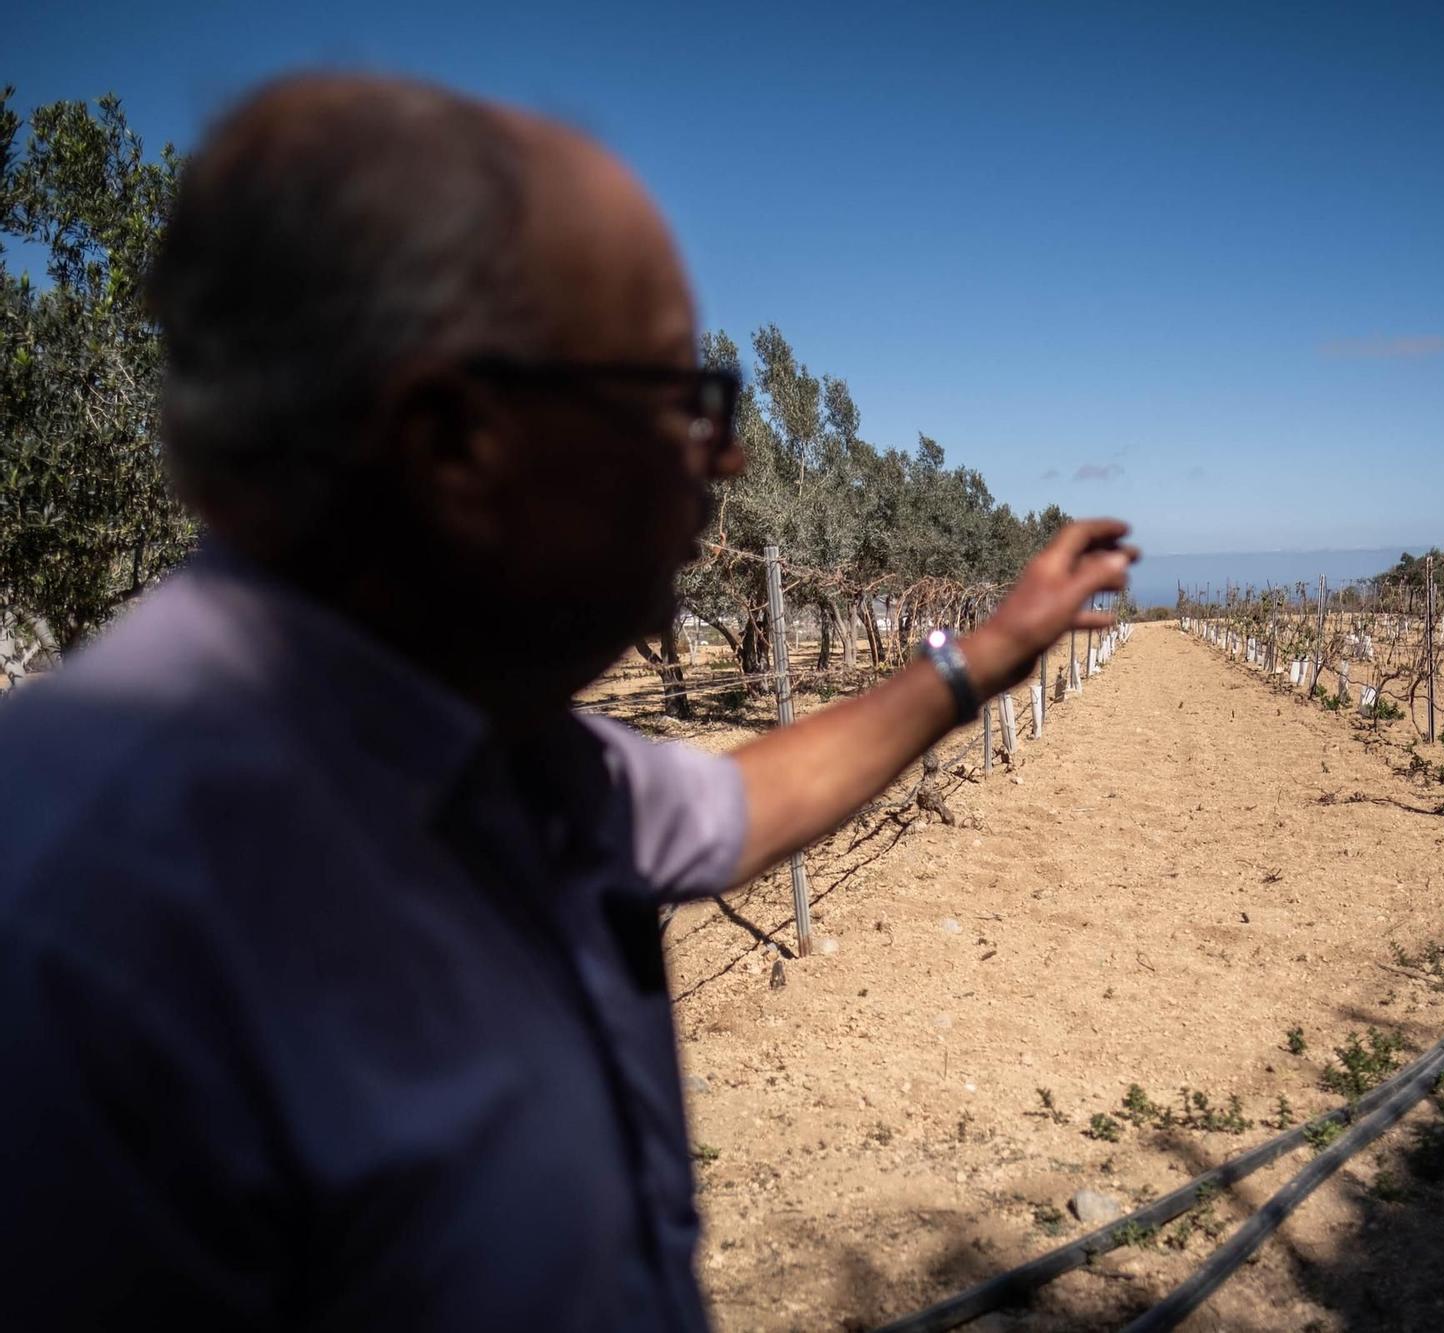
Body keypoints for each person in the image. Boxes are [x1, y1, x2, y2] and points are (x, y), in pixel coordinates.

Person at [0, 74, 1134, 1331]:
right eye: (674, 399)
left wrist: (986, 651)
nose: (730, 456)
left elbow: (743, 802)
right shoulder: (77, 932)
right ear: (455, 440)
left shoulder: (507, 747)